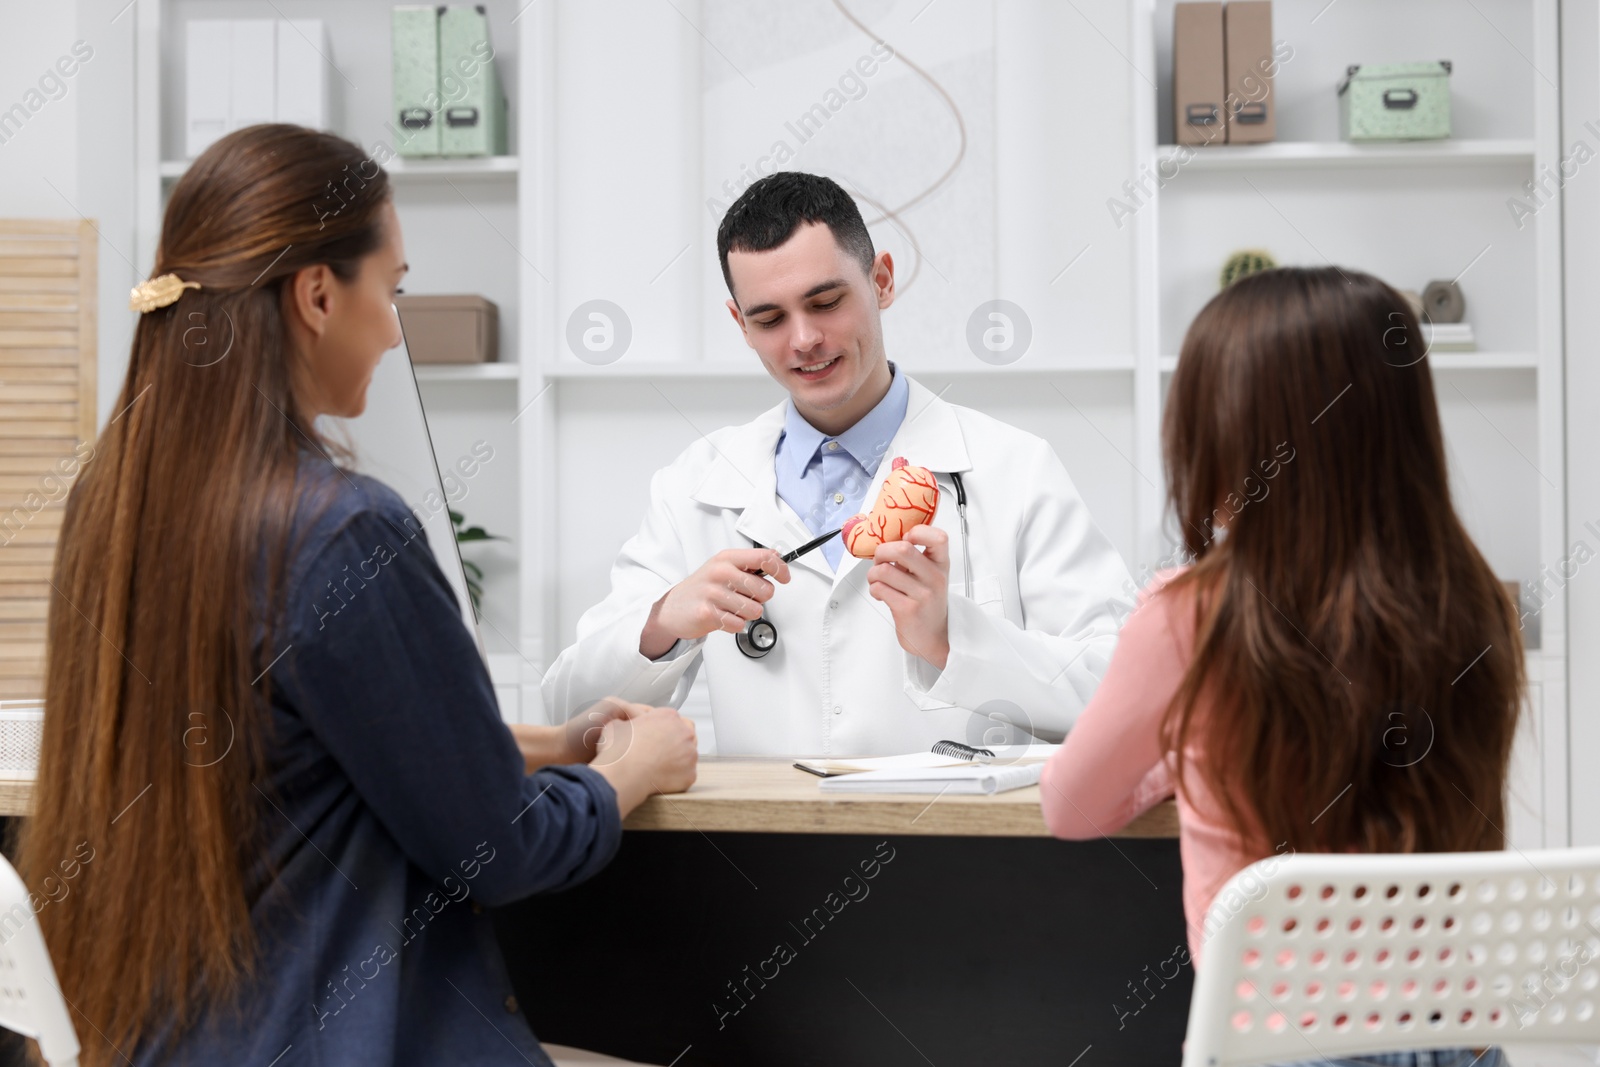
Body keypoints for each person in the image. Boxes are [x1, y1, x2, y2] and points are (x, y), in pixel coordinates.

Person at [15, 124, 698, 1067]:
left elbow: (287, 750)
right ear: (319, 294)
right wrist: (637, 767)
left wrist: (544, 743)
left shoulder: (115, 508)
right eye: (395, 288)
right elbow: (501, 852)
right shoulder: (340, 531)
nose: (394, 325)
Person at [1039, 266, 1522, 1066]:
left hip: (1284, 1041)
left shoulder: (1190, 613)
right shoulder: (1472, 600)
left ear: (1228, 435)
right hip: (1458, 1038)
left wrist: (1177, 752)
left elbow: (1071, 804)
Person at [542, 172, 1133, 756]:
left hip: (956, 844)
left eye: (825, 302)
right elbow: (569, 712)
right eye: (769, 319)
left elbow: (1128, 696)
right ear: (739, 325)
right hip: (762, 849)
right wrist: (662, 622)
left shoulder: (1014, 469)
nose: (802, 339)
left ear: (881, 282)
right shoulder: (693, 488)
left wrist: (952, 639)